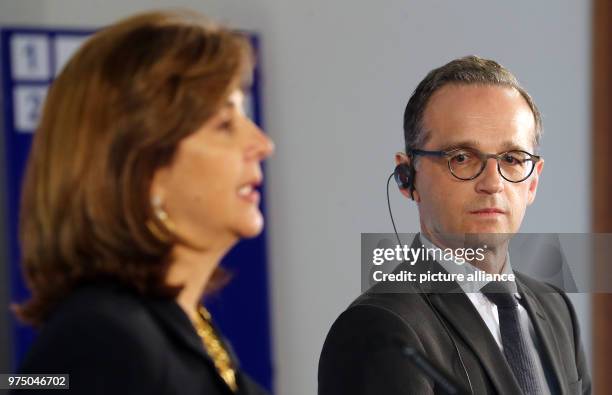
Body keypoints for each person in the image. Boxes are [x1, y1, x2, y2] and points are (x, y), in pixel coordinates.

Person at [12, 9, 273, 395]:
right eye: (223, 124)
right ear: (141, 167)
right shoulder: (100, 343)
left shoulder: (190, 334)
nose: (263, 145)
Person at [318, 56, 591, 394]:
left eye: (512, 159)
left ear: (533, 182)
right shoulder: (378, 329)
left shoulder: (556, 308)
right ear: (408, 177)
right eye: (461, 157)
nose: (492, 183)